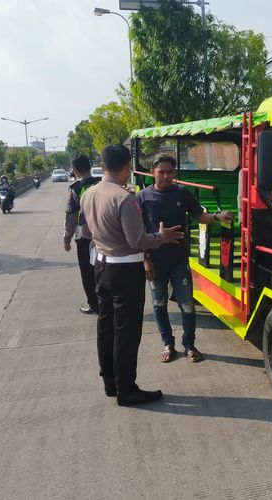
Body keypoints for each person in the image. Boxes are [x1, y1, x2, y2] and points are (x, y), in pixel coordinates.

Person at [81, 144, 184, 406]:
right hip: (125, 269)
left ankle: (110, 382)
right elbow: (137, 240)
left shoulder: (89, 193)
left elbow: (85, 233)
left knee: (106, 326)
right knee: (126, 332)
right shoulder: (124, 198)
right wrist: (162, 237)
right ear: (127, 166)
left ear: (103, 165)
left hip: (102, 267)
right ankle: (127, 389)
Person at [138, 154, 234, 364]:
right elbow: (139, 233)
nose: (166, 176)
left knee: (187, 304)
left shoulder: (183, 193)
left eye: (170, 172)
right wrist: (145, 260)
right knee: (159, 303)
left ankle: (189, 344)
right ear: (152, 172)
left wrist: (217, 217)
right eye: (161, 172)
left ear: (175, 173)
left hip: (179, 261)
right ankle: (168, 344)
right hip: (155, 262)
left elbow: (199, 216)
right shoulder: (143, 197)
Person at [63, 155, 101, 314]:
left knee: (88, 271)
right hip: (106, 234)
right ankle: (109, 302)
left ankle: (94, 304)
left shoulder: (75, 188)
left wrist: (67, 238)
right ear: (90, 166)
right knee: (103, 269)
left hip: (84, 237)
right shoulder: (101, 182)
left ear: (75, 170)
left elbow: (71, 215)